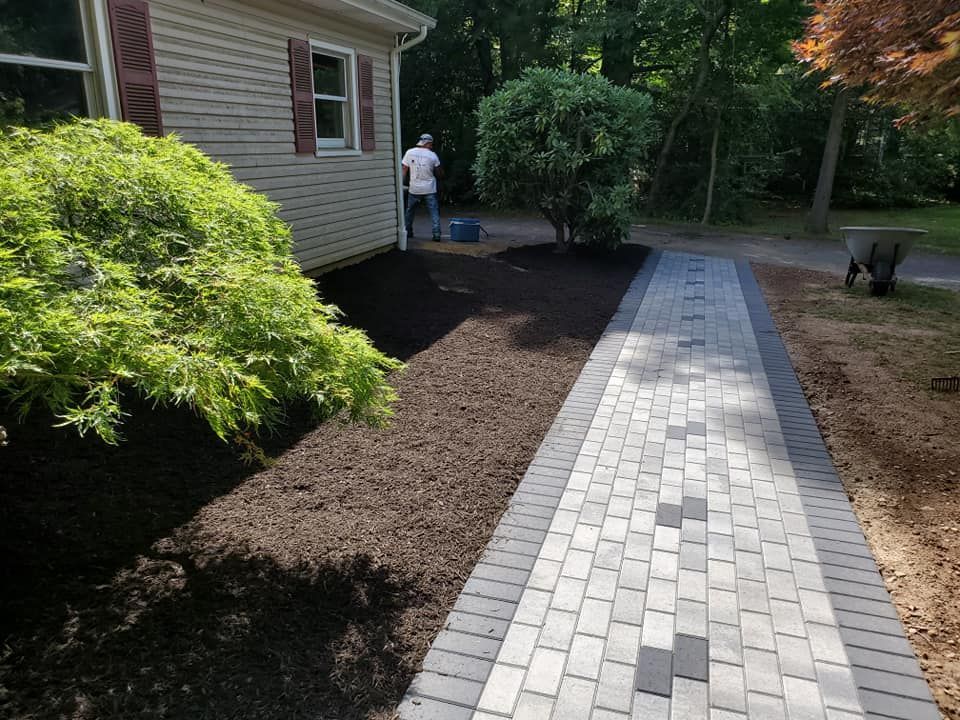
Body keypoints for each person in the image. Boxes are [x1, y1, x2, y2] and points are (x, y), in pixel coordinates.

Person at [402, 133, 443, 241]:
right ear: (427, 143)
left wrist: (402, 184)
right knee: (434, 211)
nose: (432, 146)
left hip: (414, 188)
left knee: (410, 211)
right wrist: (440, 175)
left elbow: (404, 170)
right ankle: (436, 234)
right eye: (431, 144)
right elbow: (439, 173)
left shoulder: (409, 152)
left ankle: (408, 231)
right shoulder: (432, 155)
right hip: (429, 189)